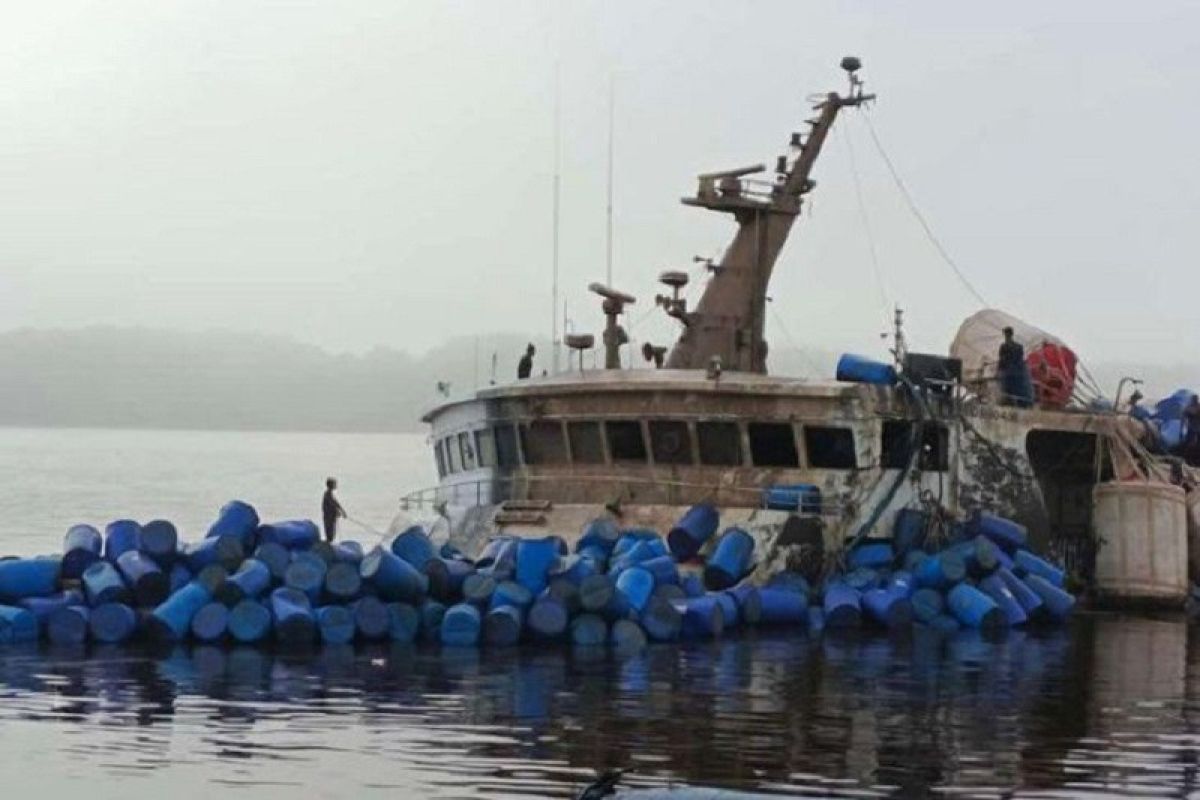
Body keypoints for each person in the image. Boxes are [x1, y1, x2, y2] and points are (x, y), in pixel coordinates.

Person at [997, 326, 1033, 408]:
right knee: (1015, 394)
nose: (1006, 336)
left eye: (1006, 334)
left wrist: (999, 371)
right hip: (1017, 375)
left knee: (1008, 394)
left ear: (1008, 334)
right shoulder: (1018, 346)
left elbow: (1002, 361)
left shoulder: (1004, 347)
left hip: (1009, 375)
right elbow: (1020, 361)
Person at [322, 477, 346, 543]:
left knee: (332, 535)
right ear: (331, 485)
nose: (336, 485)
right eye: (335, 484)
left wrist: (342, 511)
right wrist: (339, 511)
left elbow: (336, 503)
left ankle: (329, 544)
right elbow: (332, 503)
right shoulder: (327, 494)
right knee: (330, 535)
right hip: (328, 517)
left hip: (331, 517)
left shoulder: (330, 494)